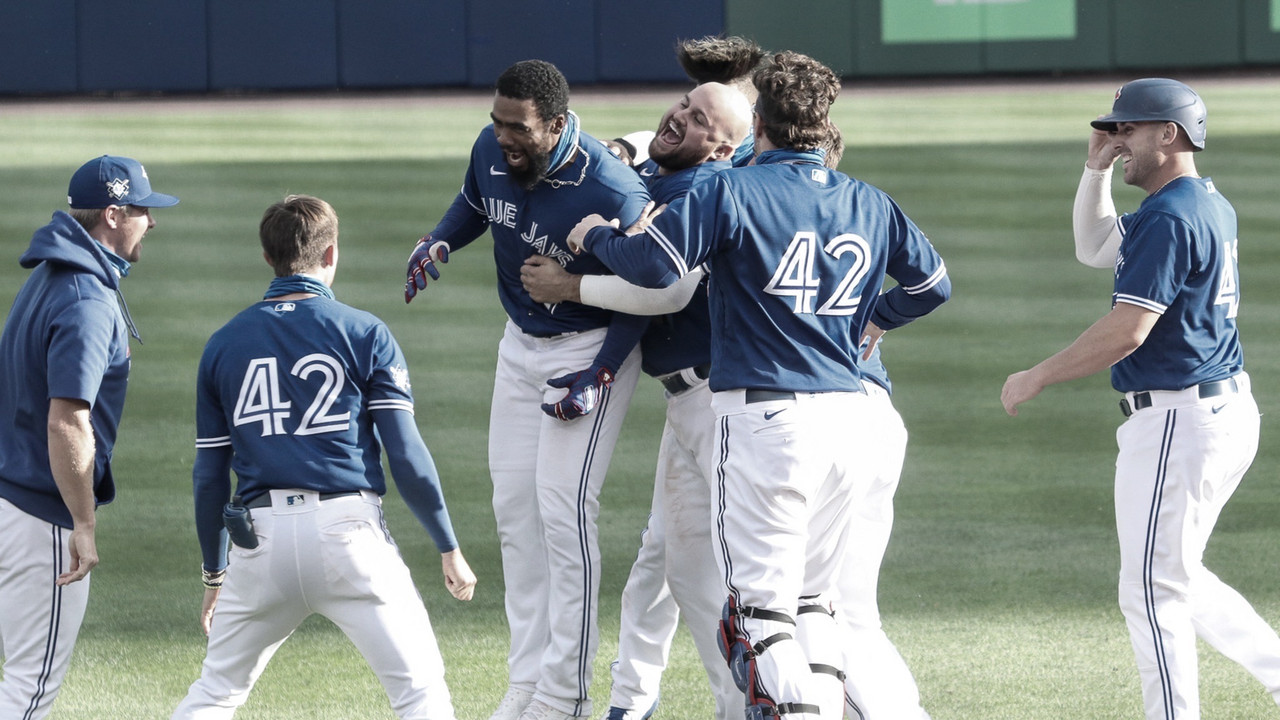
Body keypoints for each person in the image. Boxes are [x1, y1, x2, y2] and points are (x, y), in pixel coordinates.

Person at [569, 51, 951, 720]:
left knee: (759, 618)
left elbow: (652, 268)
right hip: (852, 417)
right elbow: (931, 285)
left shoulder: (729, 190)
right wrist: (875, 321)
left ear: (761, 125)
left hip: (767, 422)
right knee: (817, 603)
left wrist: (598, 235)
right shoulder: (869, 200)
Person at [1001, 78, 1280, 719]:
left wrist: (1038, 373)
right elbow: (1095, 246)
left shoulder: (1171, 216)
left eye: (1129, 129)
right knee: (1180, 577)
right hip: (1219, 409)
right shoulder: (1200, 202)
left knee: (1151, 590)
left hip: (1181, 420)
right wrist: (1094, 169)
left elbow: (1129, 331)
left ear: (1170, 134)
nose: (1117, 139)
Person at [403, 59, 651, 720]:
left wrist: (600, 372)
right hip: (519, 348)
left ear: (559, 125)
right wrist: (439, 240)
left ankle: (567, 697)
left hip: (589, 351)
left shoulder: (611, 188)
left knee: (564, 516)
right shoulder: (492, 149)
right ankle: (528, 684)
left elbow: (649, 293)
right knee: (515, 514)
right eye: (498, 121)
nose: (504, 136)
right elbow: (477, 200)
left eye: (519, 127)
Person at [171, 194, 476, 719]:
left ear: (267, 257)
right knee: (420, 693)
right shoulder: (365, 332)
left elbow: (208, 476)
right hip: (348, 536)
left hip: (259, 543)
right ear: (330, 253)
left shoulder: (223, 344)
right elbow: (404, 451)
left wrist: (214, 575)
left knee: (216, 694)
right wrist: (448, 545)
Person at [520, 81, 754, 720]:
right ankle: (632, 703)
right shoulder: (669, 166)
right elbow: (642, 146)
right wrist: (617, 144)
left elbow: (663, 292)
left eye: (700, 119)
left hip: (726, 401)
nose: (680, 117)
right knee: (660, 563)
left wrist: (576, 276)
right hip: (692, 403)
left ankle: (747, 705)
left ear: (723, 148)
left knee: (721, 576)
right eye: (684, 102)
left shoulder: (706, 192)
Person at [0, 155, 179, 718]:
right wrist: (82, 520)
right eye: (143, 211)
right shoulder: (86, 300)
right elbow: (67, 421)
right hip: (39, 516)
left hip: (9, 498)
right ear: (112, 214)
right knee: (29, 689)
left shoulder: (49, 276)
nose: (152, 222)